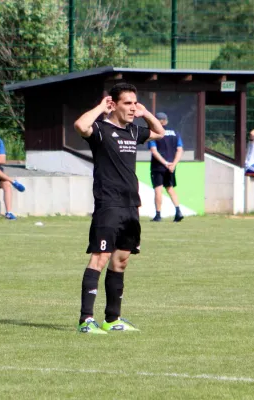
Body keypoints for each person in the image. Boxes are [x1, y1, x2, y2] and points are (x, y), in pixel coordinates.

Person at [73, 83, 165, 334]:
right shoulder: (101, 130)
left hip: (130, 207)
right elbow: (80, 126)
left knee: (121, 260)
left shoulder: (134, 131)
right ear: (113, 104)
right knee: (100, 258)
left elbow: (159, 133)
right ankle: (86, 320)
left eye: (134, 103)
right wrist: (101, 108)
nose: (132, 108)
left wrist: (145, 113)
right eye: (128, 103)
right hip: (108, 205)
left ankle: (112, 319)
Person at [148, 112, 184, 222]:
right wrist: (173, 164)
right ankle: (178, 211)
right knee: (170, 188)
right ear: (166, 121)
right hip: (171, 166)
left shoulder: (155, 133)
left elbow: (154, 151)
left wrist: (165, 163)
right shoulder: (175, 133)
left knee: (158, 189)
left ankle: (158, 215)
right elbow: (180, 149)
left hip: (158, 166)